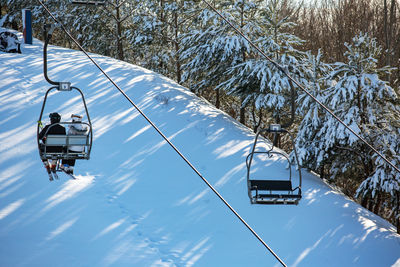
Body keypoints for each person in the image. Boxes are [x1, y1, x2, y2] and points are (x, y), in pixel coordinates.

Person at [39, 112, 66, 180]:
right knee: (56, 150)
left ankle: (47, 164)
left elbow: (40, 137)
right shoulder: (62, 128)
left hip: (48, 149)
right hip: (59, 149)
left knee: (41, 148)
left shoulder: (48, 127)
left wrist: (44, 139)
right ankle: (53, 164)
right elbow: (63, 139)